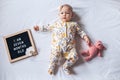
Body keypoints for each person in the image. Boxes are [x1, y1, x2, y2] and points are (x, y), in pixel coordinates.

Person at [34, 4, 91, 75]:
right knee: (54, 56)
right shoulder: (56, 24)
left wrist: (85, 37)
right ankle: (51, 66)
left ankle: (66, 66)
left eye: (67, 13)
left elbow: (80, 31)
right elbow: (47, 27)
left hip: (70, 48)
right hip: (57, 47)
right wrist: (39, 28)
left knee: (75, 57)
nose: (64, 15)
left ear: (72, 15)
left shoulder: (74, 24)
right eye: (62, 13)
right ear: (59, 14)